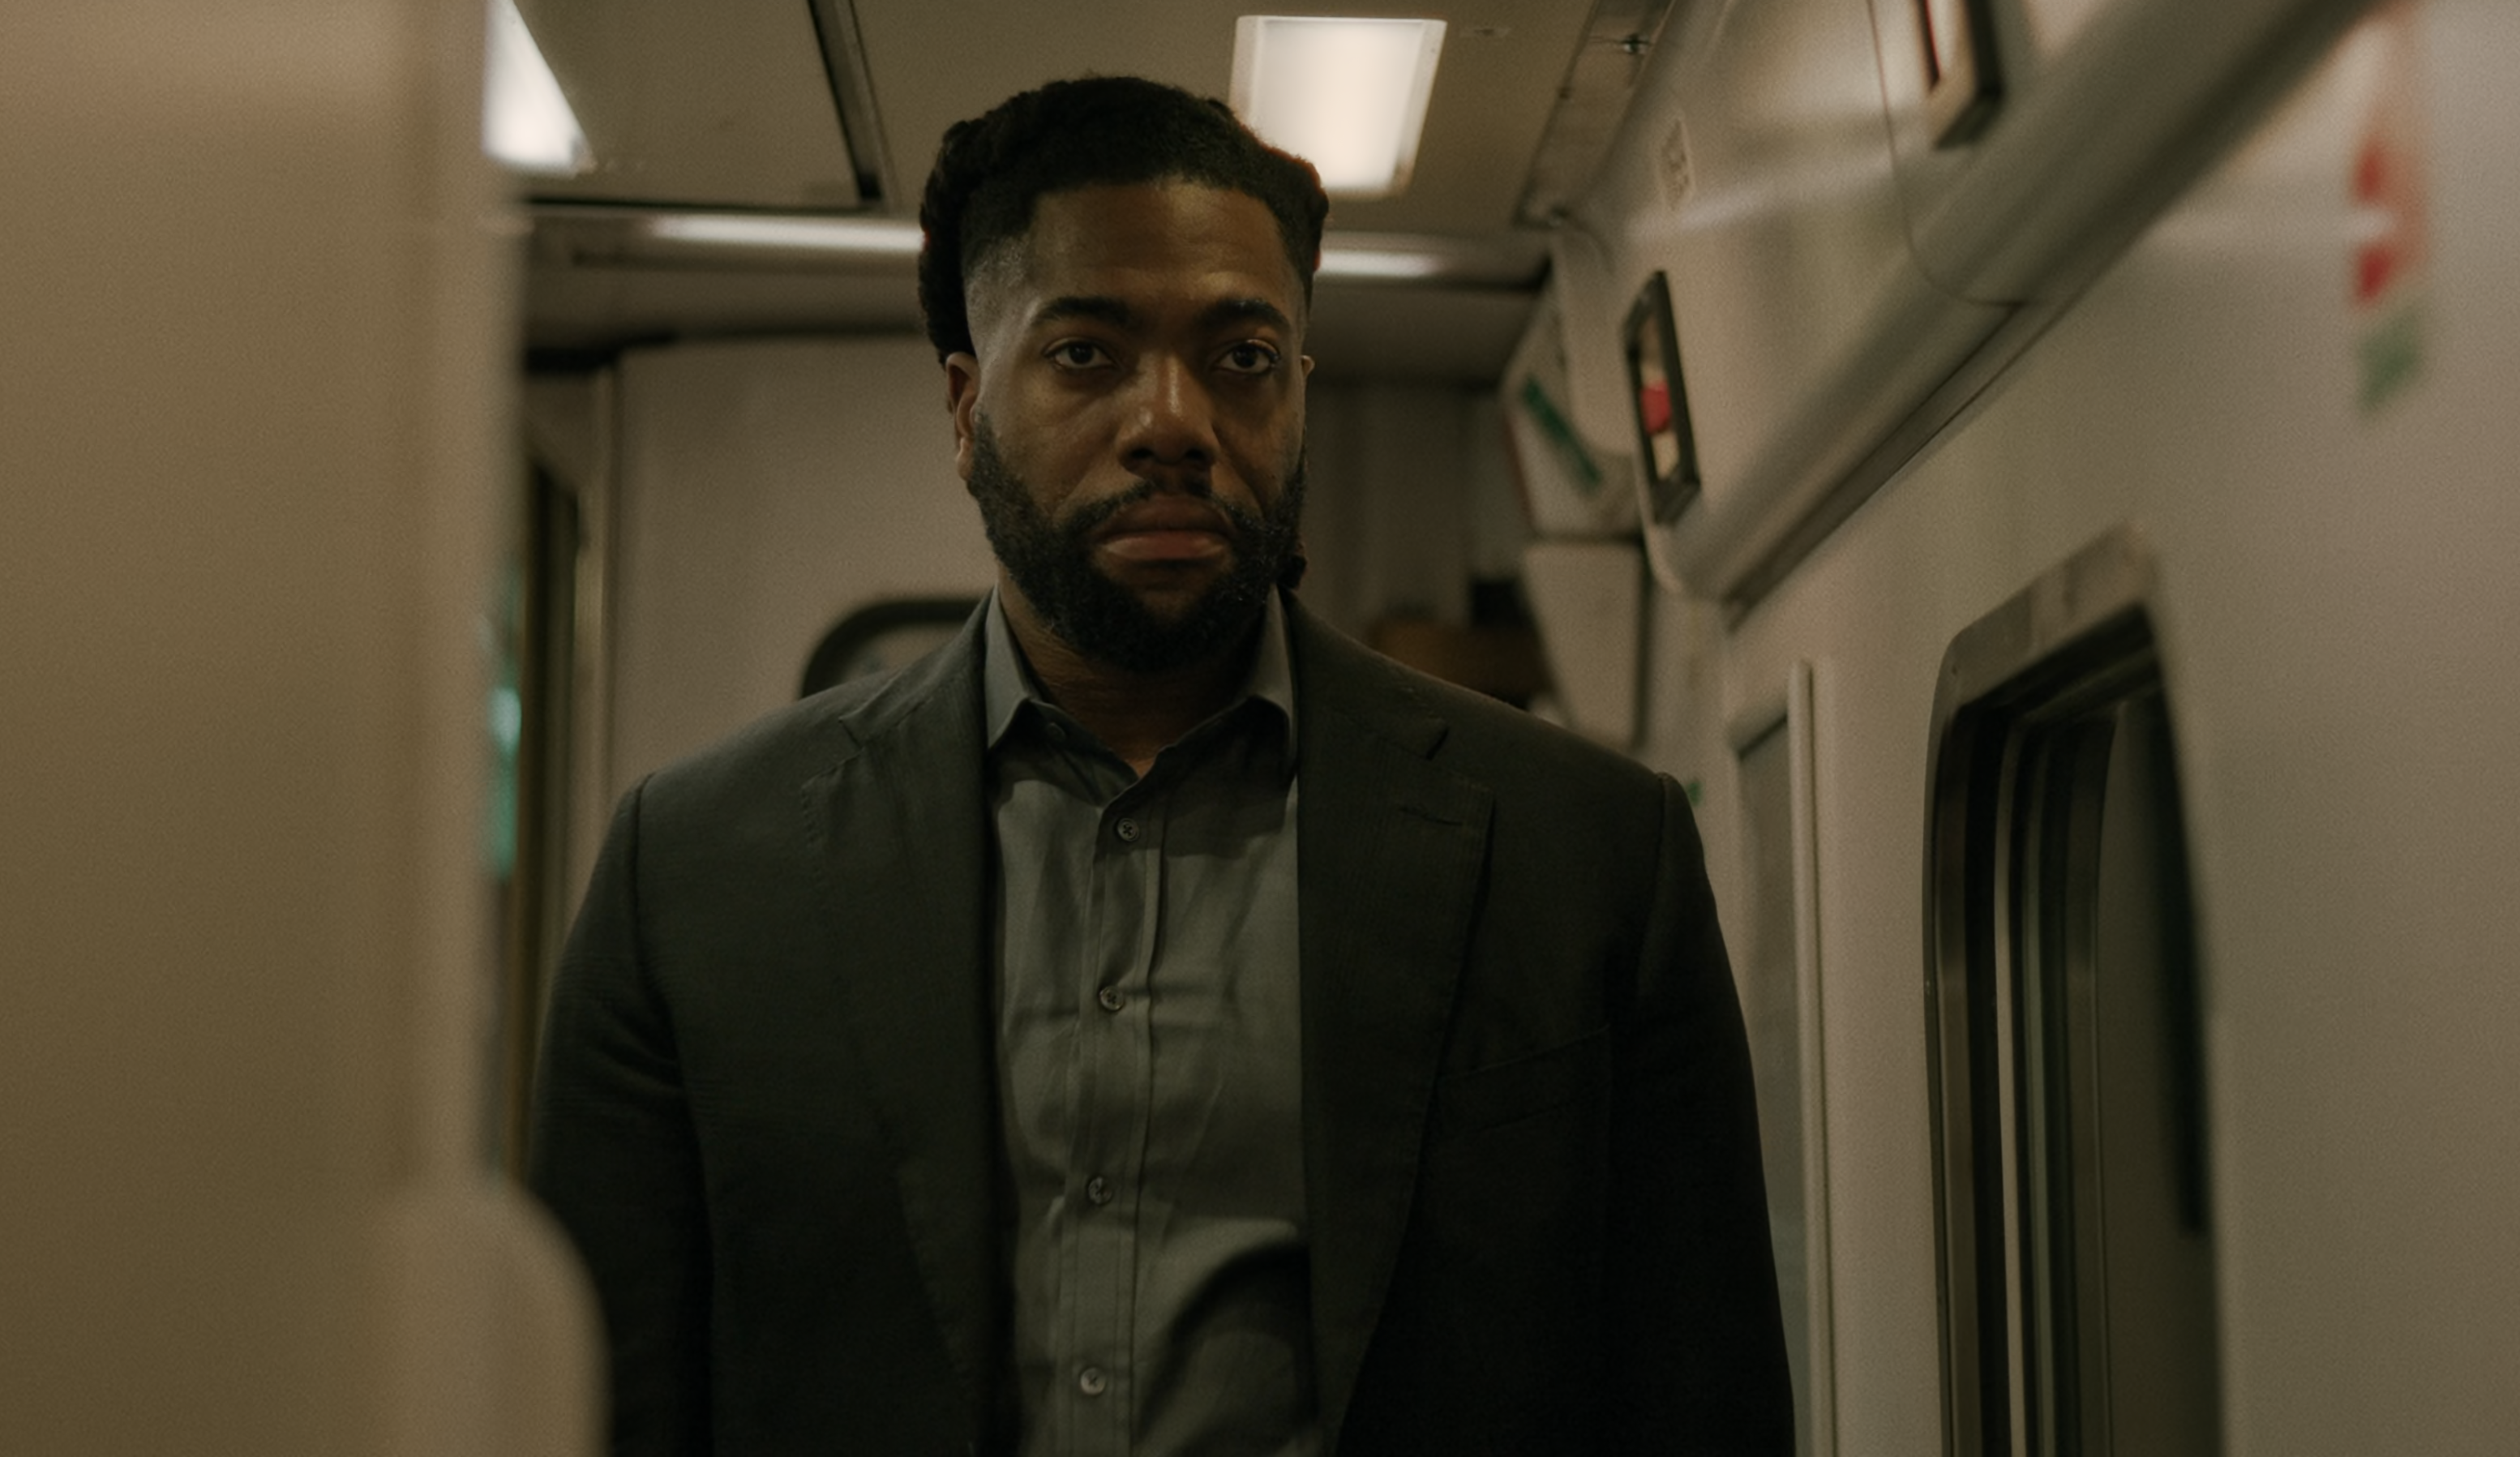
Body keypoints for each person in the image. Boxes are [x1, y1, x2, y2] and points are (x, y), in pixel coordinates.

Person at [527, 75, 1791, 1457]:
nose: (1174, 420)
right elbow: (596, 1407)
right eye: (1087, 354)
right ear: (966, 409)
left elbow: (1701, 1400)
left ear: (1299, 394)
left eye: (1243, 356)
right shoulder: (697, 872)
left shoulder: (1584, 853)